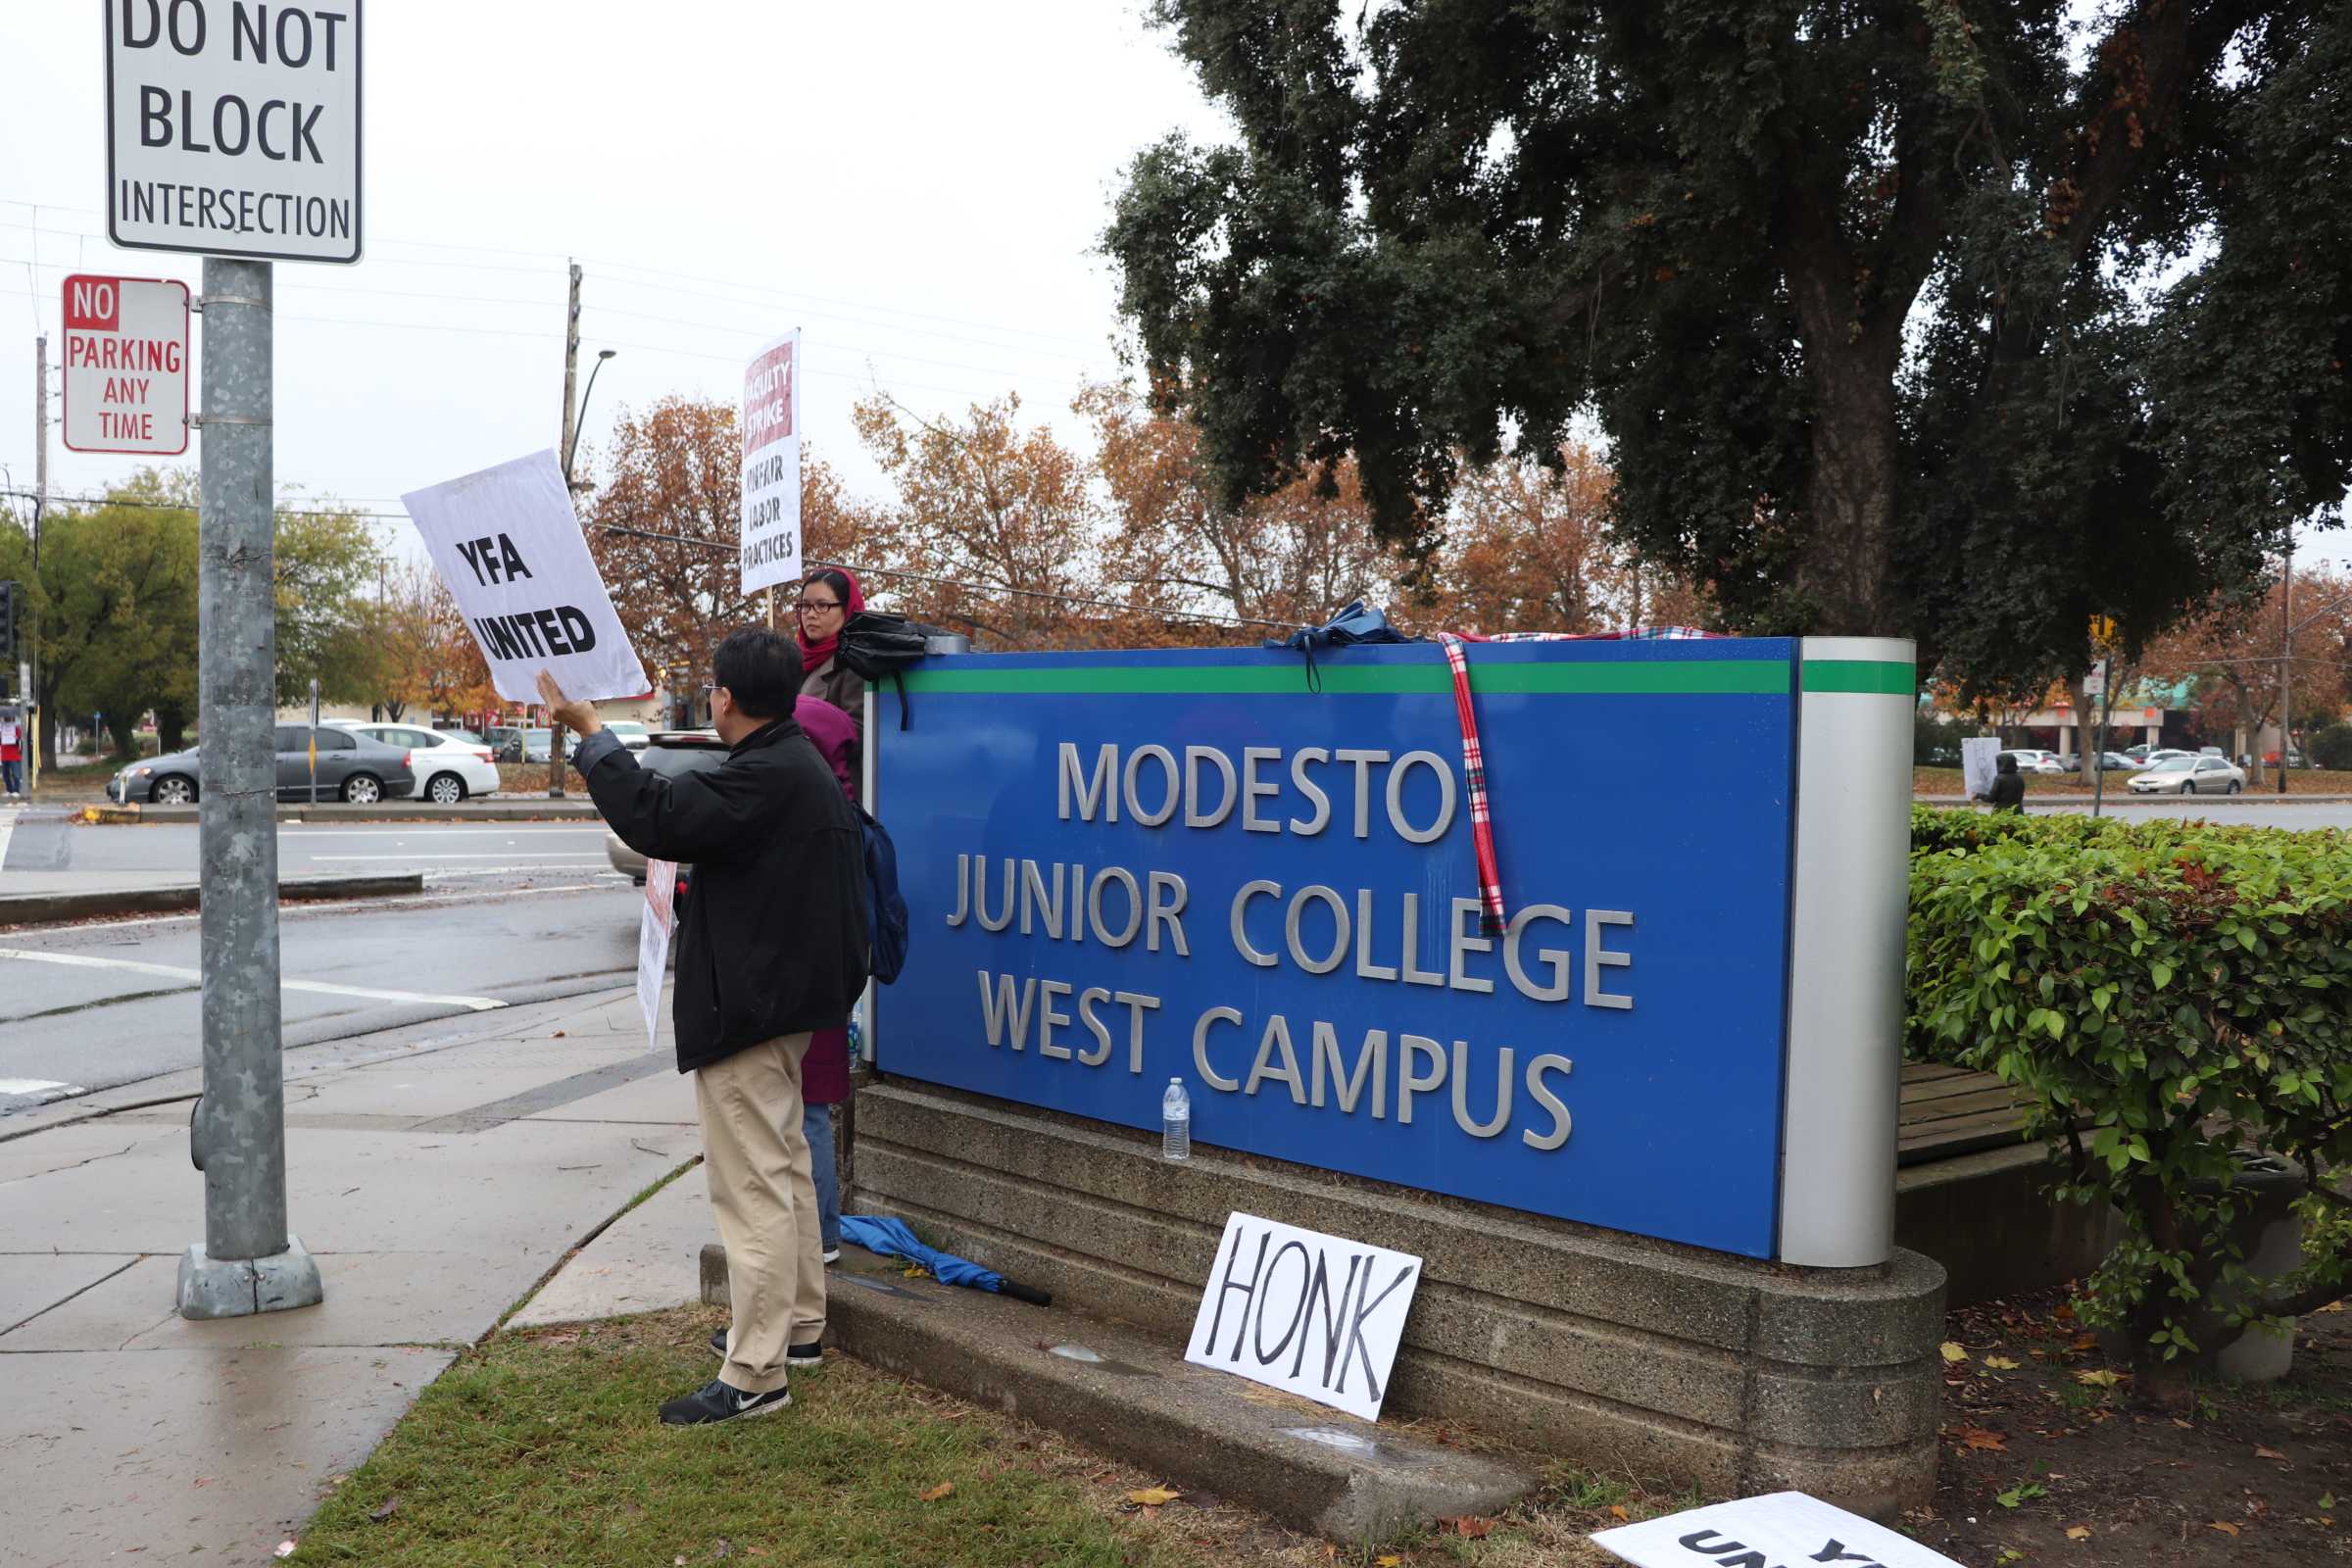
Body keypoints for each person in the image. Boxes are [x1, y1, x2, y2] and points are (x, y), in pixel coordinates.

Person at [537, 631, 868, 1427]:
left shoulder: (763, 775)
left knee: (751, 1189)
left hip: (752, 1012)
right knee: (784, 1171)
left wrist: (590, 732)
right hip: (788, 1008)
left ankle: (755, 1374)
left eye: (713, 689)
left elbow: (654, 815)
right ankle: (797, 1331)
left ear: (725, 696)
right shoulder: (797, 766)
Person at [791, 694, 858, 1266]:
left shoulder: (816, 810)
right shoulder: (843, 804)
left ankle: (820, 1234)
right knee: (808, 1110)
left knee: (806, 1112)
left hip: (802, 988)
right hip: (828, 986)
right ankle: (822, 1232)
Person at [793, 568, 866, 748]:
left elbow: (860, 736)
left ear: (847, 609)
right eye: (805, 605)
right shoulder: (796, 662)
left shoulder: (857, 664)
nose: (810, 614)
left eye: (822, 605)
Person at [0, 707, 22, 797]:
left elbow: (20, 741)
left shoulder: (16, 729)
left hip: (14, 755)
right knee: (5, 775)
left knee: (16, 774)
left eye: (8, 718)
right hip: (4, 755)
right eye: (5, 718)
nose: (7, 720)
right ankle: (9, 790)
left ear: (12, 718)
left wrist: (16, 740)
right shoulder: (1, 729)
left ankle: (16, 790)